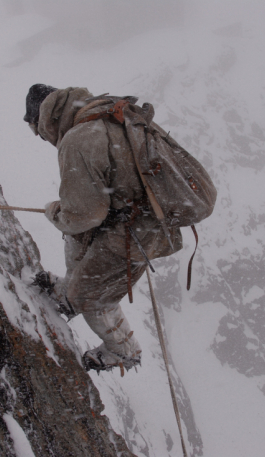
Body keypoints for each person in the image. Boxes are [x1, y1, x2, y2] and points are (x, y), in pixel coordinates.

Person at [25, 84, 182, 373]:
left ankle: (123, 351)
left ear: (42, 120)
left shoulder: (77, 140)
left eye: (37, 131)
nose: (43, 139)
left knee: (95, 296)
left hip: (133, 231)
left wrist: (55, 213)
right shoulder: (101, 111)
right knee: (78, 241)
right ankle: (67, 297)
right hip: (141, 218)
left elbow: (84, 215)